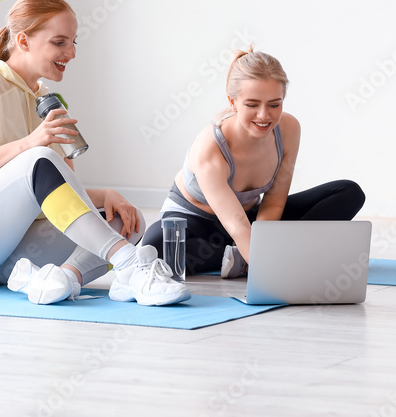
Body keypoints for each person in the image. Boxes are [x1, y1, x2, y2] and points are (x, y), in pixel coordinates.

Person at [0, 0, 188, 306]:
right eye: (59, 42)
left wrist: (105, 195)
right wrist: (29, 143)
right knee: (38, 157)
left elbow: (54, 191)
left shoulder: (44, 99)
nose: (70, 52)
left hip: (4, 256)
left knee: (126, 219)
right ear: (23, 41)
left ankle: (60, 279)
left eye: (73, 42)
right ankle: (130, 265)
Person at [142, 47, 366, 277]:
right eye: (252, 105)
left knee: (348, 192)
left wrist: (261, 244)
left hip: (252, 221)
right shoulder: (210, 148)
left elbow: (274, 203)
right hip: (196, 224)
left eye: (274, 104)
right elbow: (235, 222)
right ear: (233, 102)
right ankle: (246, 255)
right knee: (156, 248)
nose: (264, 116)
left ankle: (246, 255)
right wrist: (269, 271)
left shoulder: (289, 129)